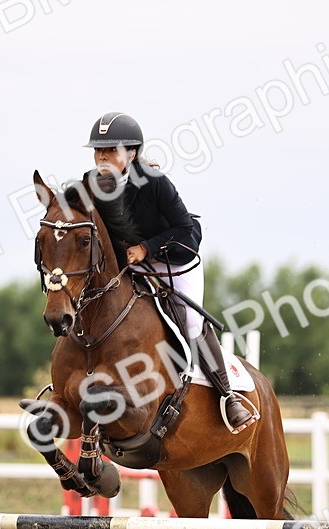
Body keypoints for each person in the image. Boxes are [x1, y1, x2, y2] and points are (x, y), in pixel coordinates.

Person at [83, 111, 257, 434]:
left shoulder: (154, 183)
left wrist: (146, 248)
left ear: (131, 153)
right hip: (137, 265)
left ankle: (229, 397)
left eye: (111, 151)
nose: (103, 158)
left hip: (177, 259)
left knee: (191, 322)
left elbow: (184, 227)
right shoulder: (94, 187)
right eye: (98, 151)